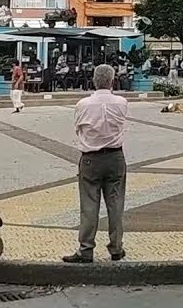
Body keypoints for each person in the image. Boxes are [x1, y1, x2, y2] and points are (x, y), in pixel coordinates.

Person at [63, 65, 129, 263]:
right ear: (112, 80)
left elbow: (78, 129)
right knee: (116, 204)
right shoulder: (122, 102)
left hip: (91, 158)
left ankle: (86, 248)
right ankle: (116, 247)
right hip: (116, 157)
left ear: (93, 80)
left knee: (89, 205)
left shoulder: (82, 104)